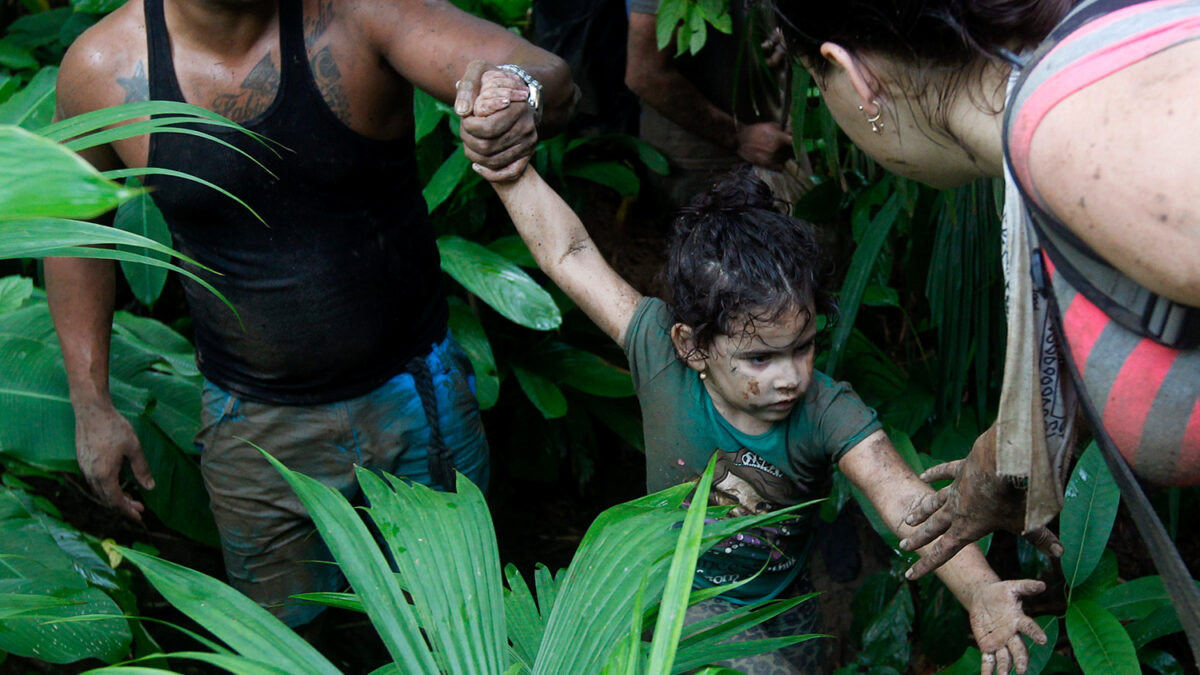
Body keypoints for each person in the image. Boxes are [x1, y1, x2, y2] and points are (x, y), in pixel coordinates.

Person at [470, 79, 1047, 671]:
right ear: (692, 347)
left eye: (804, 348)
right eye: (760, 359)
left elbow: (904, 500)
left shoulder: (826, 410)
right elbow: (570, 255)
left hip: (778, 618)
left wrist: (980, 589)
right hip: (665, 602)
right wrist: (511, 173)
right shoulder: (657, 350)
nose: (791, 377)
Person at [46, 0, 575, 628]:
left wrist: (518, 98)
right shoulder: (103, 67)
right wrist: (91, 405)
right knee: (284, 644)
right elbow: (73, 227)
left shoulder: (357, 12)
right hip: (252, 431)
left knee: (458, 629)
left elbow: (542, 70)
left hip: (416, 395)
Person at [767, 0, 1200, 587]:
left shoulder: (1065, 129)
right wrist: (1006, 461)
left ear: (854, 73)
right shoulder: (1074, 95)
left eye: (819, 89)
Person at [625, 0, 808, 208]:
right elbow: (645, 75)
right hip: (702, 161)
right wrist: (739, 137)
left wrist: (790, 29)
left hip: (772, 140)